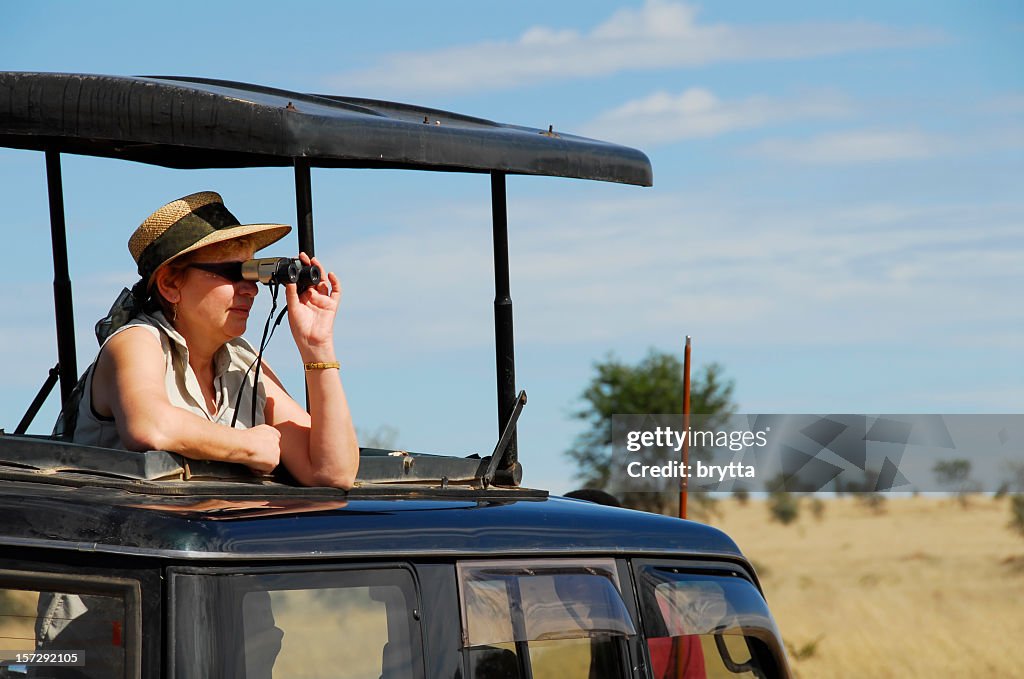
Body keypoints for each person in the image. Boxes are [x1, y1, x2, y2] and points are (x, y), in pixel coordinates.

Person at [69, 190, 359, 487]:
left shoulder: (242, 361)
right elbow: (149, 425)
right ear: (170, 284)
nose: (251, 289)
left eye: (252, 272)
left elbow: (332, 473)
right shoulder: (137, 341)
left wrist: (317, 350)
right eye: (233, 272)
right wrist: (247, 445)